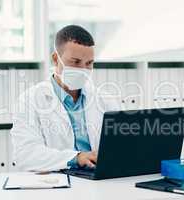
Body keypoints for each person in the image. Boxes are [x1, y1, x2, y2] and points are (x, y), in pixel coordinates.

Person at [11, 25, 119, 172]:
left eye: (89, 63)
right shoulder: (30, 100)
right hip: (56, 182)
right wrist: (76, 158)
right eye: (75, 62)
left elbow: (122, 147)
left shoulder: (105, 100)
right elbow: (25, 155)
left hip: (99, 178)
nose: (83, 69)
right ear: (56, 59)